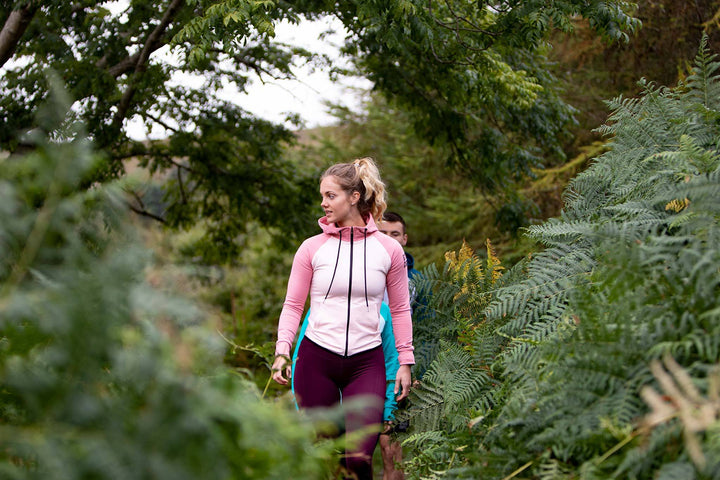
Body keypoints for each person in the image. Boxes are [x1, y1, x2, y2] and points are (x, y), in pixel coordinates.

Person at [271, 157, 414, 480]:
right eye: (322, 196)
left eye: (330, 195)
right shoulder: (311, 249)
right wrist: (282, 350)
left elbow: (401, 308)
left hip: (367, 363)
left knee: (359, 460)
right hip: (316, 359)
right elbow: (293, 305)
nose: (323, 203)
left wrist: (405, 360)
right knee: (327, 459)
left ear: (354, 196)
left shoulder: (389, 250)